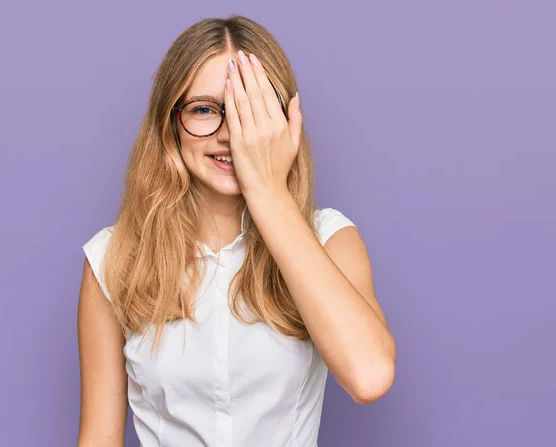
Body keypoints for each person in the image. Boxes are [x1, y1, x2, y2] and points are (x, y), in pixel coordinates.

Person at [77, 14, 396, 447]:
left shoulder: (330, 239)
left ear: (284, 120)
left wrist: (267, 191)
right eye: (205, 109)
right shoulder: (113, 257)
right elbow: (99, 437)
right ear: (171, 122)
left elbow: (370, 376)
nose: (229, 135)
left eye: (249, 109)